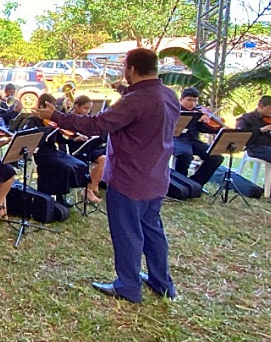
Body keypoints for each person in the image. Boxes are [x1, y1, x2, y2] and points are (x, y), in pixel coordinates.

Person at [35, 48, 178, 303]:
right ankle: (161, 282)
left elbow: (96, 125)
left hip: (130, 177)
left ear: (132, 68)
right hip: (156, 175)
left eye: (124, 65)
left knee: (127, 234)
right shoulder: (168, 95)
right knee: (153, 231)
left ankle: (128, 286)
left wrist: (55, 116)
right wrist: (124, 92)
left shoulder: (135, 101)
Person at [20, 94, 91, 204]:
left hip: (53, 151)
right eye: (51, 107)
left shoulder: (52, 122)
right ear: (42, 106)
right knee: (64, 167)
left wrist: (73, 140)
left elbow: (59, 138)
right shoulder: (32, 120)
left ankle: (63, 194)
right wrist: (43, 131)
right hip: (41, 154)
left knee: (79, 164)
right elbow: (27, 138)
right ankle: (58, 198)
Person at [172, 87, 223, 186]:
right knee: (185, 155)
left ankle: (195, 183)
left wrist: (218, 128)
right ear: (181, 99)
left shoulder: (198, 113)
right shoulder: (175, 110)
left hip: (193, 141)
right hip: (177, 139)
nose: (192, 103)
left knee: (216, 156)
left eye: (195, 100)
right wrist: (195, 119)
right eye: (189, 100)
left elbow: (203, 128)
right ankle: (179, 184)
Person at [63, 96, 107, 204]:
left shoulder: (87, 119)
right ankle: (89, 190)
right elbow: (63, 137)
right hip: (76, 149)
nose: (87, 112)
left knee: (108, 154)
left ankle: (95, 183)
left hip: (88, 147)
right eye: (85, 108)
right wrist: (75, 138)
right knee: (103, 159)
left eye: (89, 109)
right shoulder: (69, 119)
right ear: (76, 106)